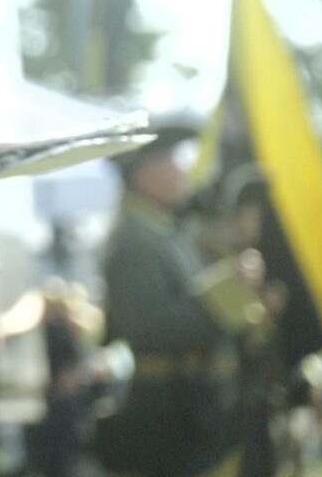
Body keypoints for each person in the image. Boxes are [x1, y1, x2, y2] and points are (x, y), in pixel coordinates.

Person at [92, 132, 259, 477]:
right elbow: (151, 329)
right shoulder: (134, 239)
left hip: (190, 404)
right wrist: (230, 291)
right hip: (168, 412)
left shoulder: (161, 231)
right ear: (143, 171)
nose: (183, 170)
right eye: (171, 160)